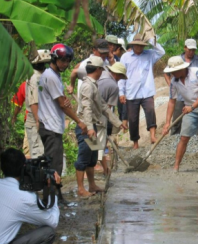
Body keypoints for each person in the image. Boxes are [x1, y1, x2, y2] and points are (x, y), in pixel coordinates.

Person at [38, 43, 87, 204]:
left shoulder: (53, 75)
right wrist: (79, 121)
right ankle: (50, 200)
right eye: (63, 60)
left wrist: (66, 103)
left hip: (51, 125)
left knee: (55, 164)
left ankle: (56, 197)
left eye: (68, 61)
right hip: (50, 126)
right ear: (54, 58)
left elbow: (65, 102)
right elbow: (62, 104)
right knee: (54, 167)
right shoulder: (51, 77)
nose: (65, 64)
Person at [75, 56, 127, 197]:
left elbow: (103, 107)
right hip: (86, 128)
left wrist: (118, 122)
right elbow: (86, 108)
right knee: (83, 158)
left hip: (92, 127)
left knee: (91, 159)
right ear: (98, 70)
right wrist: (90, 127)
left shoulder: (94, 84)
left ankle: (92, 185)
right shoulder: (87, 86)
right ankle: (81, 189)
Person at [119, 34, 165, 149]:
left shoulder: (149, 54)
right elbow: (121, 76)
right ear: (133, 45)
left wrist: (150, 39)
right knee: (133, 119)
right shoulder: (125, 57)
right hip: (132, 92)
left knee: (150, 111)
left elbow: (161, 51)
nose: (140, 48)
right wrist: (121, 92)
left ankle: (153, 136)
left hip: (147, 91)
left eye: (142, 45)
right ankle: (135, 143)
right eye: (137, 45)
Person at [163, 38, 198, 135]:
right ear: (185, 48)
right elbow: (171, 101)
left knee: (194, 121)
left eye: (193, 50)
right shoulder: (176, 60)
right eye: (190, 49)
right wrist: (167, 122)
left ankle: (192, 139)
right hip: (180, 98)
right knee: (177, 121)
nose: (191, 52)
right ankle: (174, 138)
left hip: (195, 98)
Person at [96, 61, 129, 177]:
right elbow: (107, 110)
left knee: (91, 144)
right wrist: (118, 123)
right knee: (99, 145)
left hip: (87, 115)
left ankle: (101, 167)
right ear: (118, 75)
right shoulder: (113, 86)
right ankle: (102, 168)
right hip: (99, 117)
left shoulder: (100, 75)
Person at [24, 49, 51, 159]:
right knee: (38, 154)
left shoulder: (39, 76)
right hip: (35, 121)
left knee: (42, 152)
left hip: (40, 120)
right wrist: (37, 120)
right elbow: (34, 102)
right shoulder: (35, 78)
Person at [11, 81, 30, 158]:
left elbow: (18, 105)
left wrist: (14, 117)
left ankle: (30, 168)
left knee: (29, 151)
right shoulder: (48, 81)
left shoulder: (25, 85)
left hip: (31, 122)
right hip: (48, 122)